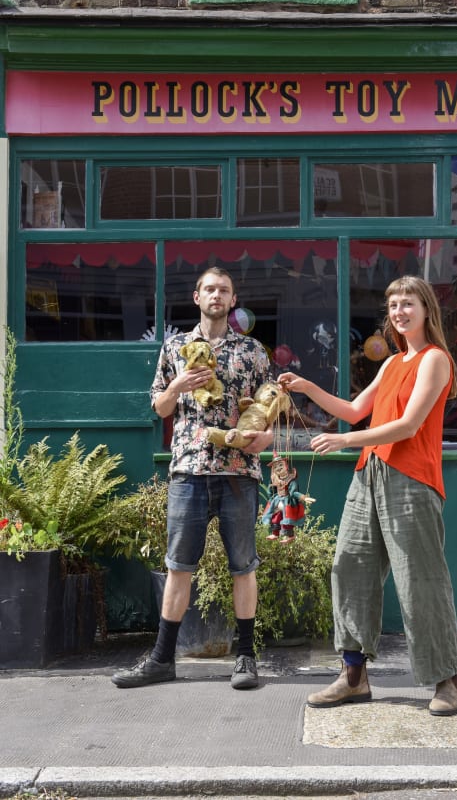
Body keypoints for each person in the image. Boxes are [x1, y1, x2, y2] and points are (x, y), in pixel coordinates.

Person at [277, 275, 457, 716]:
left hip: (412, 479)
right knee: (350, 568)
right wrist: (307, 388)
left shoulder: (435, 360)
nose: (399, 311)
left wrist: (344, 443)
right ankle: (354, 676)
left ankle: (446, 680)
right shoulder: (393, 362)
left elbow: (408, 426)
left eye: (408, 303)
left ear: (426, 310)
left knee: (421, 581)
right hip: (369, 474)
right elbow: (355, 411)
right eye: (394, 304)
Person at [112, 267, 273, 690]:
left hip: (239, 471)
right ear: (196, 297)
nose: (216, 295)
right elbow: (160, 408)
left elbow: (269, 409)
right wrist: (179, 385)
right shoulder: (176, 347)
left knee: (243, 567)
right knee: (179, 567)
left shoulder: (253, 351)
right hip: (189, 468)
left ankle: (245, 658)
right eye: (210, 289)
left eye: (224, 290)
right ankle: (162, 660)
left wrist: (266, 438)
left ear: (232, 300)